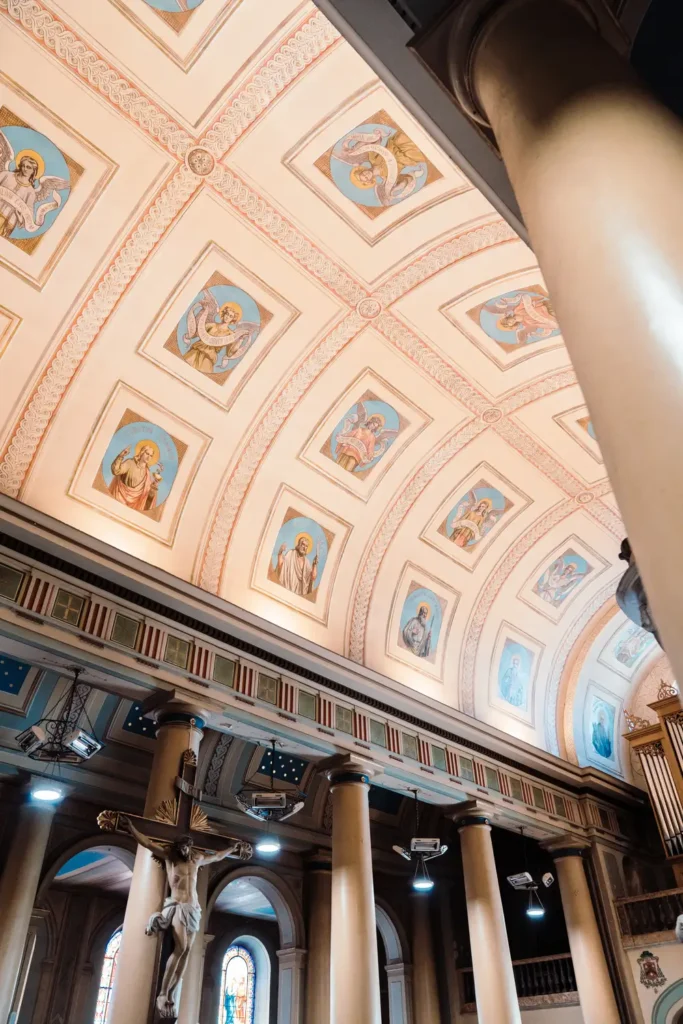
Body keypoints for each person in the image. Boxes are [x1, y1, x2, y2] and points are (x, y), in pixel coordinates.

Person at [123, 818, 251, 1018]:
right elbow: (147, 843)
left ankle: (172, 991)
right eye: (183, 847)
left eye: (188, 847)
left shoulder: (197, 859)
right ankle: (163, 992)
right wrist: (131, 828)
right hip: (178, 907)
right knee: (180, 947)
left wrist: (232, 849)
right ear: (178, 847)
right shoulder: (170, 858)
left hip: (193, 908)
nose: (185, 850)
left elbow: (216, 856)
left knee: (188, 950)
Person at [337, 124, 427, 206]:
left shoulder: (372, 158)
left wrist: (354, 149)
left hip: (398, 142)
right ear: (370, 181)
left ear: (362, 169)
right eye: (366, 177)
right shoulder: (388, 178)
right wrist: (392, 192)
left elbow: (374, 141)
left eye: (363, 173)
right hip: (410, 155)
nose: (366, 174)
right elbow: (406, 181)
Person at [334, 401, 398, 472]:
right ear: (370, 422)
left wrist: (370, 456)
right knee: (337, 465)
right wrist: (342, 436)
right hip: (346, 451)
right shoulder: (359, 430)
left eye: (375, 426)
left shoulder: (372, 437)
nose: (373, 427)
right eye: (373, 424)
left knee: (347, 470)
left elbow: (370, 449)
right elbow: (348, 435)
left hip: (356, 456)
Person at [109, 441, 163, 512]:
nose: (149, 457)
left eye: (151, 456)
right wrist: (120, 456)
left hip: (134, 506)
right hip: (119, 498)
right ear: (142, 452)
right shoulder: (130, 463)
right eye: (147, 454)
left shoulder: (147, 473)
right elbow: (116, 471)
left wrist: (153, 488)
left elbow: (147, 497)